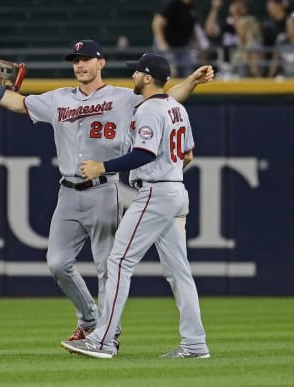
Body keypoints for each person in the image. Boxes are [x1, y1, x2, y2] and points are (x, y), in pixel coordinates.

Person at [0, 39, 214, 346]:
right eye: (75, 60)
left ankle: (108, 334)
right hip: (68, 191)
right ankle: (92, 319)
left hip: (104, 190)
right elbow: (17, 103)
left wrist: (190, 82)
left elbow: (164, 98)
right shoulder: (59, 99)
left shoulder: (124, 97)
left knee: (111, 266)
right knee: (57, 263)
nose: (79, 64)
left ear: (100, 63)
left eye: (85, 59)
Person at [61, 53, 209, 359]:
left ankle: (101, 340)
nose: (133, 77)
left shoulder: (150, 110)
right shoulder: (176, 108)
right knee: (179, 272)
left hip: (155, 193)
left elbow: (144, 153)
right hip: (176, 190)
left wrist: (103, 166)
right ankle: (195, 344)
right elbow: (187, 155)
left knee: (118, 262)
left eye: (137, 73)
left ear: (147, 77)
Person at [152, 0, 209, 77]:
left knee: (187, 74)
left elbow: (194, 28)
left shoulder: (193, 6)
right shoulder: (173, 4)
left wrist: (198, 45)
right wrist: (162, 44)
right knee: (171, 73)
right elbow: (157, 22)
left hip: (183, 46)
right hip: (168, 45)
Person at [204, 0, 249, 75]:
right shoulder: (225, 22)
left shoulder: (248, 21)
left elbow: (243, 36)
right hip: (224, 65)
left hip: (240, 63)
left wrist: (235, 14)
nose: (239, 6)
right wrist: (215, 9)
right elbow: (210, 31)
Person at [268, 12, 294, 77]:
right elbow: (274, 61)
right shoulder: (281, 40)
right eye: (287, 26)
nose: (287, 29)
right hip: (285, 79)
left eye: (289, 26)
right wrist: (269, 78)